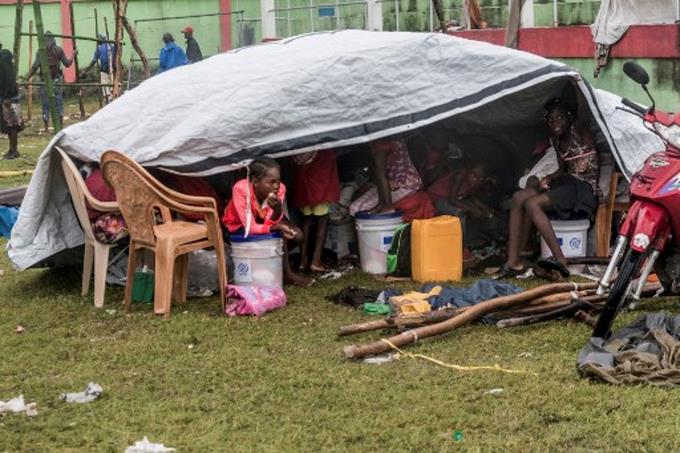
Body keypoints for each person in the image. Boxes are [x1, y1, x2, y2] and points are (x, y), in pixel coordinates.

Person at [497, 97, 600, 279]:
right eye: (551, 120)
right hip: (566, 181)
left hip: (582, 188)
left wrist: (574, 84)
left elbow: (581, 108)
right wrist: (549, 178)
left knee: (533, 204)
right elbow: (563, 168)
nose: (555, 123)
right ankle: (513, 262)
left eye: (559, 118)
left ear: (570, 117)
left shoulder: (579, 130)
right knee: (519, 197)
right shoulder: (556, 140)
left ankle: (560, 260)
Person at [222, 158, 310, 286]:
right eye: (272, 182)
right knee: (278, 230)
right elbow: (250, 227)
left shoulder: (280, 189)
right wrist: (276, 227)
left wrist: (277, 210)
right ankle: (286, 273)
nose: (276, 186)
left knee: (297, 235)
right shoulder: (241, 189)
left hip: (263, 221)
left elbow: (271, 221)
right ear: (256, 182)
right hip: (239, 226)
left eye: (278, 181)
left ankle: (281, 269)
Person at [350, 136, 434, 221]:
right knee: (355, 207)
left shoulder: (380, 145)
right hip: (401, 182)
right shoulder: (394, 136)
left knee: (357, 209)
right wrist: (380, 204)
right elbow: (380, 177)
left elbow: (381, 175)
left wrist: (387, 206)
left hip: (405, 185)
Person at [291, 150, 340, 272]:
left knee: (306, 221)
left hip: (304, 184)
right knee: (322, 222)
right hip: (321, 184)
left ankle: (303, 261)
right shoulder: (319, 139)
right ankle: (316, 261)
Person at [26, 31, 76, 132]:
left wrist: (27, 78)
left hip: (45, 81)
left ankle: (46, 128)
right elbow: (67, 64)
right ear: (53, 39)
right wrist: (73, 55)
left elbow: (35, 67)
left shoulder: (40, 52)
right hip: (56, 80)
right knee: (58, 103)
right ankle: (60, 127)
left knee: (45, 104)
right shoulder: (59, 50)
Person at [0, 47, 24, 160]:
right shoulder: (8, 67)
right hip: (10, 100)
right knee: (11, 127)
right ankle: (12, 150)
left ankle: (14, 151)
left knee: (12, 127)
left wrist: (6, 98)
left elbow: (7, 84)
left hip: (9, 101)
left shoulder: (4, 66)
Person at [79, 34, 115, 103]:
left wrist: (85, 71)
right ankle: (112, 101)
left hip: (104, 71)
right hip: (113, 70)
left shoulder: (99, 48)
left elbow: (93, 61)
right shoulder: (112, 47)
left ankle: (108, 103)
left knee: (106, 90)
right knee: (112, 88)